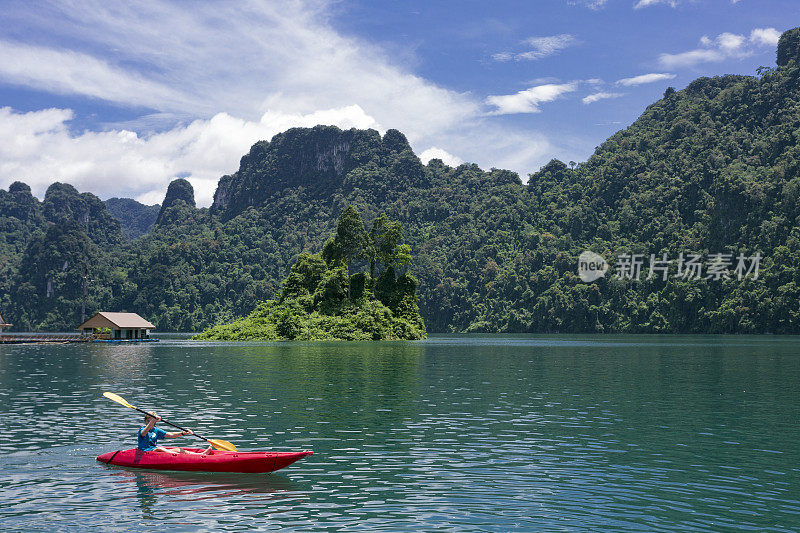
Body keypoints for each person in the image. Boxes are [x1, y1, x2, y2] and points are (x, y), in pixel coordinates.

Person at [138, 412, 212, 455]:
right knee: (160, 448)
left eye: (152, 422)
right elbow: (144, 433)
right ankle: (177, 456)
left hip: (153, 450)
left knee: (178, 449)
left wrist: (183, 433)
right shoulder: (142, 429)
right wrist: (152, 420)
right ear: (145, 421)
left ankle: (200, 454)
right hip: (145, 451)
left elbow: (170, 435)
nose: (150, 423)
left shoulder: (156, 430)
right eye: (148, 421)